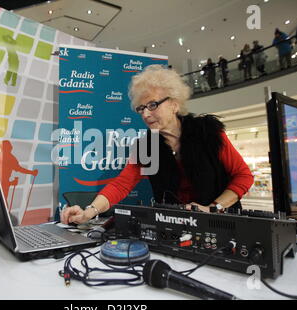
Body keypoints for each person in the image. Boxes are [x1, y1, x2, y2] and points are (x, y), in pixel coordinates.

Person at [61, 65, 254, 225]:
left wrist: (214, 208)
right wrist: (89, 213)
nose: (145, 114)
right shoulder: (147, 146)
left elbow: (243, 176)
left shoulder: (208, 132)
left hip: (222, 223)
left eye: (152, 105)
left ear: (174, 104)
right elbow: (122, 184)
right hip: (174, 226)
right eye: (141, 108)